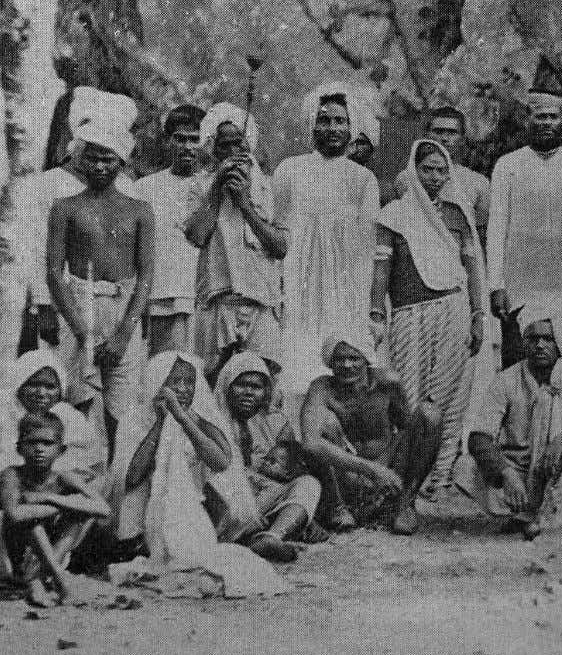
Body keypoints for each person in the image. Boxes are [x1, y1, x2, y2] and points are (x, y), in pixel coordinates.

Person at [113, 352, 287, 597]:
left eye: (189, 382)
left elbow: (222, 462)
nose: (183, 389)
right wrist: (161, 423)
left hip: (191, 511)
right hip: (144, 514)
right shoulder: (134, 419)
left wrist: (184, 419)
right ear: (157, 382)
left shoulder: (199, 419)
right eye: (174, 382)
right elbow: (132, 478)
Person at [46, 102, 154, 476]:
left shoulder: (139, 210)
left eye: (108, 159)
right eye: (92, 158)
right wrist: (81, 329)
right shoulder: (65, 207)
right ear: (81, 159)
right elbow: (52, 273)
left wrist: (125, 332)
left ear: (122, 161)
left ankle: (118, 486)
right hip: (79, 308)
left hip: (123, 310)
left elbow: (146, 276)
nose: (100, 166)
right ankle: (78, 483)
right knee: (78, 404)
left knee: (121, 412)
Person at [373, 139, 486, 494]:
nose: (434, 177)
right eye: (427, 170)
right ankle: (405, 479)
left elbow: (473, 268)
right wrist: (376, 312)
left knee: (449, 396)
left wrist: (479, 315)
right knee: (409, 398)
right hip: (409, 314)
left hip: (454, 310)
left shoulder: (458, 214)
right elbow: (381, 271)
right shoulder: (393, 214)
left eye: (441, 170)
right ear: (413, 170)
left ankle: (438, 477)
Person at [456, 299, 562, 538]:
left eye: (548, 339)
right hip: (519, 472)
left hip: (561, 467)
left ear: (560, 343)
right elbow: (479, 437)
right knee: (464, 467)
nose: (540, 346)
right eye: (533, 339)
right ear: (524, 342)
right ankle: (522, 512)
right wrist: (505, 472)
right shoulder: (507, 380)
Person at [273, 84, 381, 390]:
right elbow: (276, 233)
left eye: (340, 121)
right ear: (312, 124)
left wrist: (368, 305)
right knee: (297, 364)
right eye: (324, 120)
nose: (332, 128)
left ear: (351, 127)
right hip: (298, 284)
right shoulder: (290, 170)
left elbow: (369, 248)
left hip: (346, 287)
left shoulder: (362, 179)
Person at [487, 92, 562, 365]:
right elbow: (496, 228)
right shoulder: (508, 165)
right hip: (520, 288)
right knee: (519, 367)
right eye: (540, 117)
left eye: (552, 117)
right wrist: (496, 285)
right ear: (529, 120)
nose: (546, 123)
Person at [22, 87, 139, 352]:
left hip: (116, 302)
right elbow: (37, 248)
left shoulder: (127, 188)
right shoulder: (48, 184)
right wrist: (44, 305)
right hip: (65, 301)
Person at [299, 334, 439, 535]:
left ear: (366, 359)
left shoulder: (387, 382)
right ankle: (338, 507)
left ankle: (404, 504)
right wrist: (372, 470)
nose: (346, 365)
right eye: (339, 359)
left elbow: (408, 428)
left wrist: (404, 472)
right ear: (330, 363)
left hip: (387, 465)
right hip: (346, 473)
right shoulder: (322, 388)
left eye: (354, 358)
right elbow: (310, 443)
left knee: (429, 414)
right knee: (327, 424)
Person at [184, 103, 287, 372]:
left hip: (261, 301)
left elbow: (280, 247)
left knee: (260, 381)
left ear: (248, 146)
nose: (232, 152)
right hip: (217, 301)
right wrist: (217, 186)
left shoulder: (269, 185)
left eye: (238, 145)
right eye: (224, 145)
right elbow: (196, 235)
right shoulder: (199, 186)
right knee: (213, 381)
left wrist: (244, 204)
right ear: (214, 149)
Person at [0, 412, 111, 606]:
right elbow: (15, 514)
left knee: (77, 517)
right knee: (32, 521)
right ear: (19, 448)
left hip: (48, 559)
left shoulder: (63, 477)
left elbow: (104, 509)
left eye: (47, 443)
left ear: (61, 450)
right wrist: (64, 506)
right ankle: (59, 583)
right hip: (10, 559)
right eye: (32, 442)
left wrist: (50, 498)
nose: (39, 449)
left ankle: (37, 581)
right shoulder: (12, 475)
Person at [213, 353, 324, 563]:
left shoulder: (274, 421)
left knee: (308, 484)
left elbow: (291, 466)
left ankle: (270, 538)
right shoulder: (214, 420)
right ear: (227, 385)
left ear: (266, 392)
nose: (248, 392)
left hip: (264, 505)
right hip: (226, 506)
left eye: (256, 387)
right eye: (241, 385)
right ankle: (241, 537)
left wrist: (305, 516)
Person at [135, 104, 207, 355]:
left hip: (201, 298)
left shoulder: (212, 186)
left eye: (194, 140)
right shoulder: (145, 188)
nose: (187, 147)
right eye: (180, 139)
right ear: (168, 141)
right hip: (159, 297)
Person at [0, 350, 105, 485]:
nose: (41, 393)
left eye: (50, 387)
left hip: (58, 487)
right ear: (20, 384)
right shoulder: (3, 414)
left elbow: (92, 459)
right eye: (34, 385)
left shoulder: (67, 415)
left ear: (60, 389)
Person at [422, 106, 491, 240]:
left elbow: (481, 237)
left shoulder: (478, 183)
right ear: (427, 135)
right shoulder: (405, 179)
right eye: (438, 131)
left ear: (462, 138)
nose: (444, 138)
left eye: (452, 132)